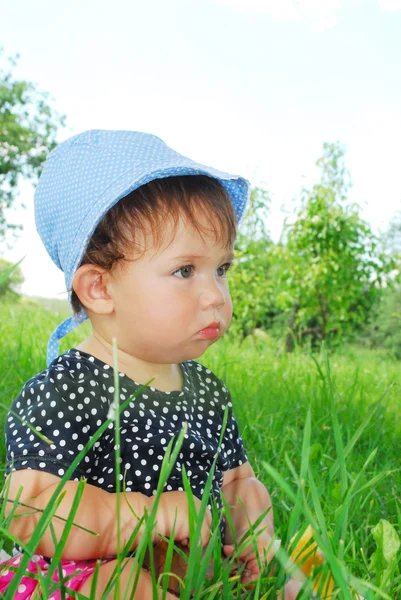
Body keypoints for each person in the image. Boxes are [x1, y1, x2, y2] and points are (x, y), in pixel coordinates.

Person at [0, 130, 302, 599]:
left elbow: (239, 482)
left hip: (190, 573)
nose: (215, 296)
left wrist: (253, 536)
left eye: (221, 269)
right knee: (118, 583)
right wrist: (153, 512)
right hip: (83, 574)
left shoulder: (206, 391)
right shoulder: (66, 391)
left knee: (292, 577)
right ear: (99, 288)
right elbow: (30, 511)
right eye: (185, 271)